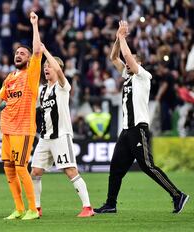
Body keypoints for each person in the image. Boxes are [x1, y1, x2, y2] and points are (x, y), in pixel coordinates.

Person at [94, 21, 189, 214]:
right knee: (116, 168)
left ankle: (177, 195)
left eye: (132, 62)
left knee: (147, 166)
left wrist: (122, 37)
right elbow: (114, 56)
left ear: (139, 64)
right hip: (126, 131)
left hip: (138, 128)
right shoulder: (128, 76)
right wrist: (117, 39)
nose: (128, 64)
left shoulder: (143, 75)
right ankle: (111, 204)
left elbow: (127, 56)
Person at [0, 11, 42, 220]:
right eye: (17, 53)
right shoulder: (10, 77)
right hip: (6, 128)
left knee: (22, 167)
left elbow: (38, 51)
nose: (18, 55)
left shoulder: (31, 75)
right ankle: (19, 208)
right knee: (9, 170)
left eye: (23, 53)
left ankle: (33, 209)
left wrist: (34, 25)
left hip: (23, 129)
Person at [30, 44, 95, 218]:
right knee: (35, 172)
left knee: (70, 171)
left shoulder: (62, 87)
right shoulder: (42, 90)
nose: (46, 69)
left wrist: (45, 51)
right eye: (44, 67)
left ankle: (87, 207)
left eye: (48, 66)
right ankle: (36, 208)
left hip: (61, 135)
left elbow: (58, 70)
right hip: (45, 138)